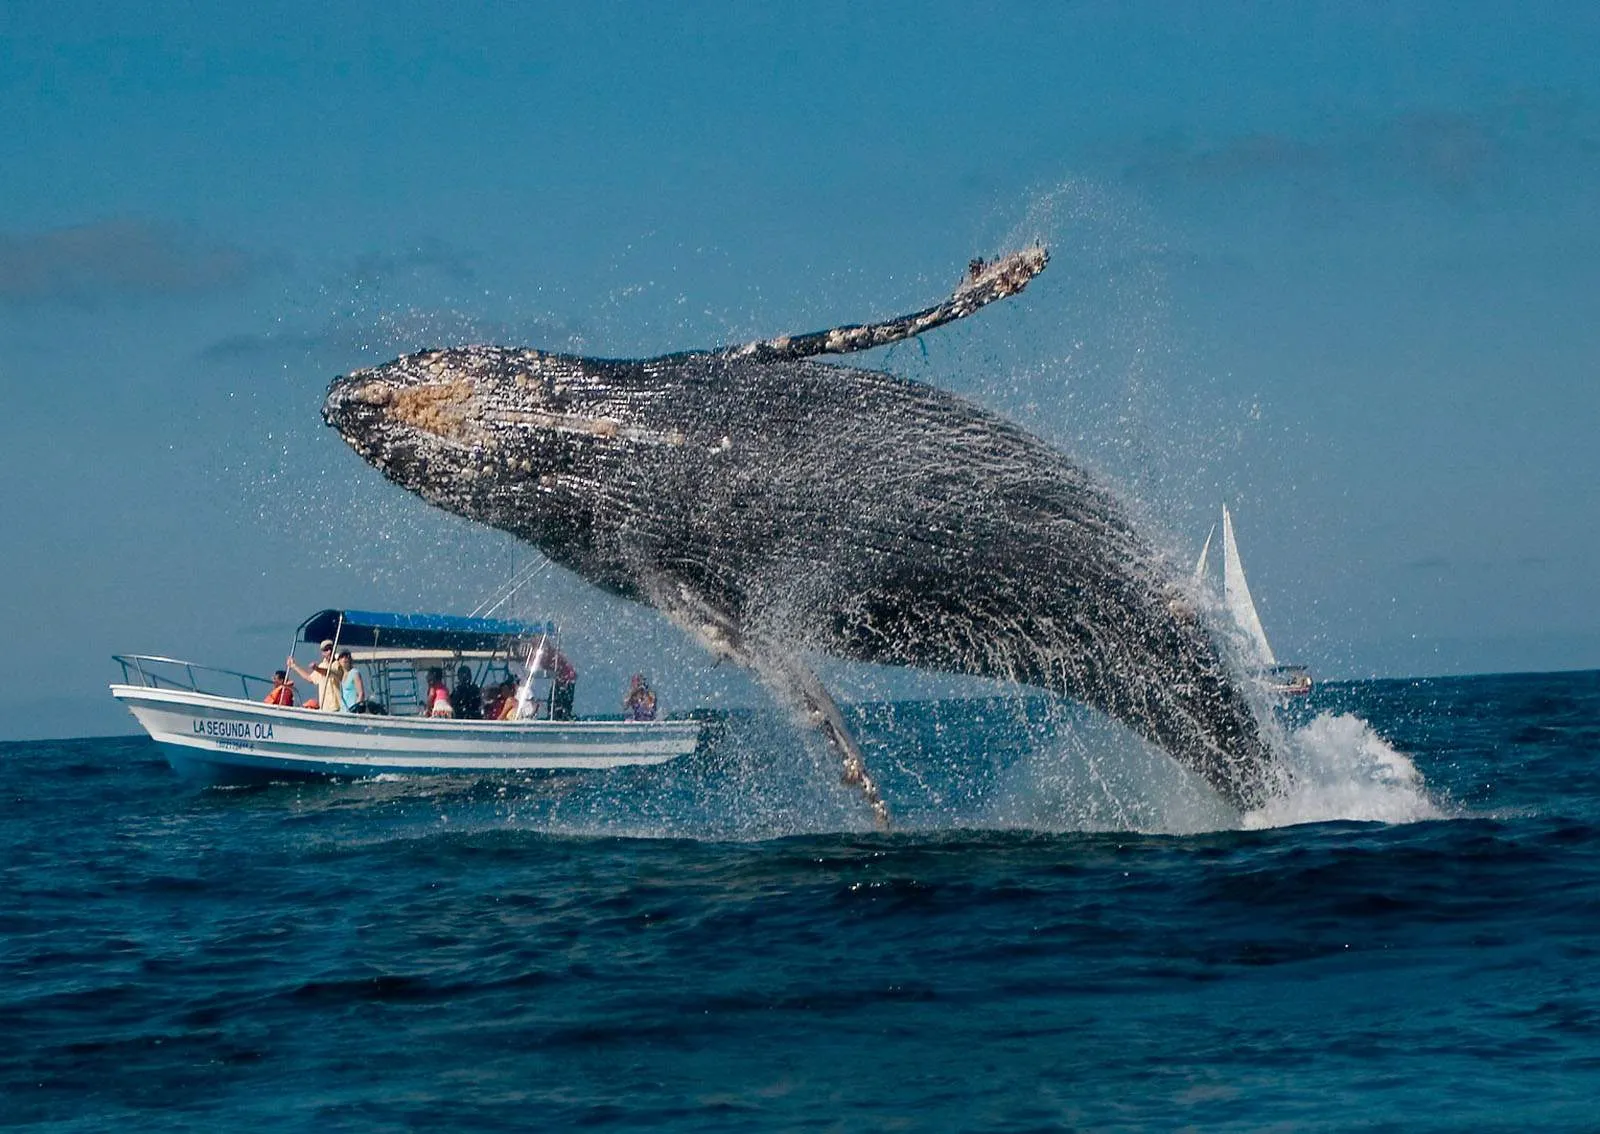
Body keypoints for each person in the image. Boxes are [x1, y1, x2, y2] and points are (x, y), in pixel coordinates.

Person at [287, 640, 347, 713]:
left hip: (337, 706)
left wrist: (316, 668)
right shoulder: (322, 665)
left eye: (331, 649)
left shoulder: (337, 664)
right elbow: (310, 678)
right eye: (326, 650)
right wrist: (294, 666)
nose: (329, 652)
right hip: (324, 707)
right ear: (322, 653)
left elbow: (328, 672)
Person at [547, 649, 577, 720]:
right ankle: (558, 713)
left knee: (560, 701)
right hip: (563, 681)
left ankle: (562, 713)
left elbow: (571, 675)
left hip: (565, 681)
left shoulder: (557, 660)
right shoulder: (554, 659)